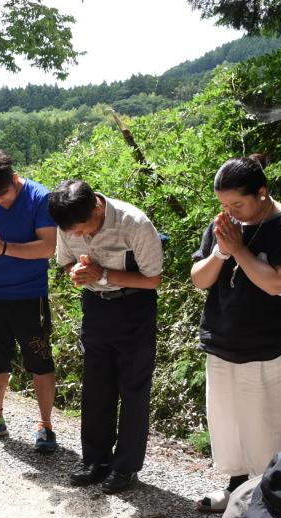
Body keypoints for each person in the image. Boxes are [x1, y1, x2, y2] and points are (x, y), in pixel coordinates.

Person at [190, 154, 281, 513]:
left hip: (270, 343)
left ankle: (268, 502)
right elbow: (199, 279)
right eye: (224, 205)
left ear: (262, 192)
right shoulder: (227, 224)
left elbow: (277, 283)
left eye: (238, 203)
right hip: (223, 337)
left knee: (264, 425)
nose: (231, 211)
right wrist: (220, 252)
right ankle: (236, 491)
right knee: (229, 424)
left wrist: (239, 250)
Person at [49, 180, 163, 494]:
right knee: (97, 386)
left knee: (133, 389)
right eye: (74, 232)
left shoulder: (133, 223)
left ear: (97, 207)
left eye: (84, 228)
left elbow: (153, 279)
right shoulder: (68, 221)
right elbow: (66, 261)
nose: (80, 236)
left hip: (134, 308)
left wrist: (102, 274)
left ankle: (125, 468)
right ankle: (95, 461)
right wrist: (76, 271)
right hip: (95, 307)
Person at [0, 149, 59, 452]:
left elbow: (47, 248)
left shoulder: (39, 197)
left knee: (40, 362)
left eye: (2, 196)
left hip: (31, 297)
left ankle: (45, 426)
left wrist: (4, 248)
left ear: (15, 180)